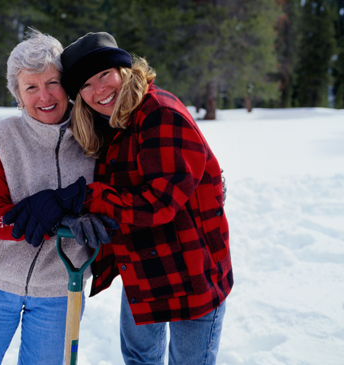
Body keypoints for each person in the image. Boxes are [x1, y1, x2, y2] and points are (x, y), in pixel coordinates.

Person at [60, 32, 233, 364]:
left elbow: (157, 203)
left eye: (103, 75)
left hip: (191, 269)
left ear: (123, 71)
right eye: (85, 86)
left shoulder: (159, 113)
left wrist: (90, 198)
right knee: (140, 358)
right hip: (143, 266)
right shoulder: (108, 125)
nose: (98, 91)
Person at [0, 30, 118, 365]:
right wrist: (54, 220)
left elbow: (115, 192)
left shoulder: (95, 137)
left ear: (67, 85)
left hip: (60, 290)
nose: (45, 96)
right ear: (18, 95)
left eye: (52, 83)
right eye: (31, 87)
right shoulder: (0, 138)